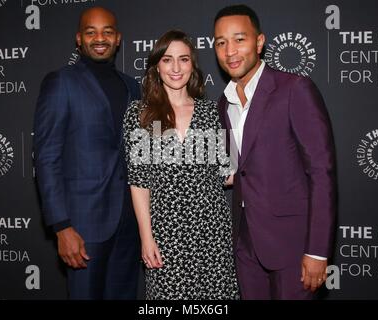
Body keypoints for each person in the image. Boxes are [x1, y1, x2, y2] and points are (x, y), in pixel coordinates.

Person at [213, 4, 336, 299]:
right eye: (221, 42)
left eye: (239, 39)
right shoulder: (223, 102)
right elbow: (237, 166)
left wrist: (318, 251)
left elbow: (322, 171)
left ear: (259, 42)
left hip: (292, 244)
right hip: (245, 244)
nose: (230, 51)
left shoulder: (294, 89)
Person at [33, 6, 140, 299]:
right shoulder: (61, 82)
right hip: (84, 225)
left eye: (107, 31)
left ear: (118, 38)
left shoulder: (132, 86)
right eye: (90, 32)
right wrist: (62, 226)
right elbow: (46, 157)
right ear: (78, 39)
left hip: (130, 223)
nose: (99, 38)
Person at [123, 30, 239, 300]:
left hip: (212, 232)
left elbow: (228, 173)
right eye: (167, 59)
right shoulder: (140, 114)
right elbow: (139, 183)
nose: (176, 68)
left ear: (192, 65)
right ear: (156, 66)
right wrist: (146, 237)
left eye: (184, 59)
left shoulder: (213, 111)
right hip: (166, 234)